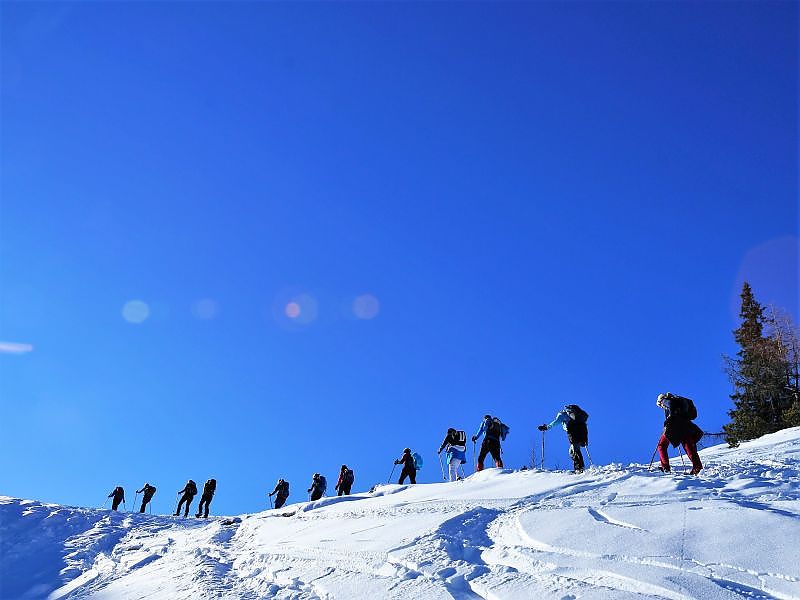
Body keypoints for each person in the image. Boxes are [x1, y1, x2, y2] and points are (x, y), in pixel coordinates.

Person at [656, 393, 703, 474]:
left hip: (673, 426)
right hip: (686, 426)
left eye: (660, 405)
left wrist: (669, 420)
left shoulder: (665, 400)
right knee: (688, 446)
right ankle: (697, 467)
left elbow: (670, 404)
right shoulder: (680, 402)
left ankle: (665, 467)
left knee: (661, 445)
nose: (661, 407)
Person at [538, 404, 589, 473]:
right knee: (572, 451)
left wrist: (546, 427)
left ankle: (579, 469)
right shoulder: (578, 416)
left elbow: (555, 422)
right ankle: (579, 467)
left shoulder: (562, 414)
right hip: (582, 432)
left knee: (575, 450)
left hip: (572, 432)